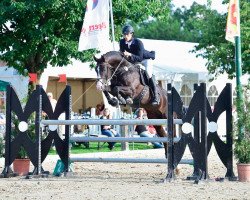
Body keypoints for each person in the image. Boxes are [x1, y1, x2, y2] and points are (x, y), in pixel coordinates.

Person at [119, 24, 159, 106]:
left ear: (131, 34)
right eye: (124, 34)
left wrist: (129, 54)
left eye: (127, 34)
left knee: (148, 74)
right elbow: (122, 54)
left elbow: (140, 58)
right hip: (133, 60)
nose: (125, 36)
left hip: (145, 59)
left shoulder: (138, 42)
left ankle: (155, 96)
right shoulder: (122, 42)